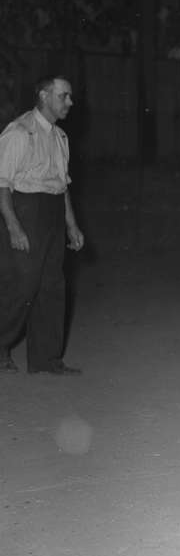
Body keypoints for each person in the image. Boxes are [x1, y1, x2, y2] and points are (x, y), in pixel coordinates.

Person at [0, 75, 84, 375]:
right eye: (64, 96)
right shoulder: (19, 132)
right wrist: (13, 226)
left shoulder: (61, 138)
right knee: (21, 284)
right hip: (24, 210)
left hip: (51, 212)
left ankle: (46, 359)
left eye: (70, 96)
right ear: (44, 95)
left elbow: (62, 186)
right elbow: (2, 184)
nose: (70, 102)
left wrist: (71, 225)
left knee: (52, 285)